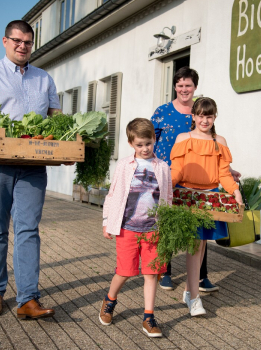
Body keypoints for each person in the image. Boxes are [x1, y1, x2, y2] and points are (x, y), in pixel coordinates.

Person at [0, 20, 66, 319]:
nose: (23, 46)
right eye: (17, 40)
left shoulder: (44, 78)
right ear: (5, 41)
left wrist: (66, 145)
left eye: (28, 42)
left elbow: (56, 119)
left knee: (28, 229)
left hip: (33, 167)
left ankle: (27, 299)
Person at [151, 67, 240, 292]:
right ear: (175, 86)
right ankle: (166, 272)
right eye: (180, 85)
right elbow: (150, 142)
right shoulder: (163, 112)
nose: (184, 89)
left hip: (202, 185)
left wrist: (230, 176)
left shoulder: (202, 109)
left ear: (195, 88)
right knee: (171, 227)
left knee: (201, 234)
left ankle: (200, 279)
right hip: (173, 176)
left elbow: (214, 157)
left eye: (188, 85)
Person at [170, 97, 243, 316]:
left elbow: (223, 174)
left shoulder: (219, 140)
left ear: (214, 117)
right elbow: (177, 170)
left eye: (209, 116)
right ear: (193, 116)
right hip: (186, 196)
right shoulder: (184, 137)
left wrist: (235, 192)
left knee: (201, 246)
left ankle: (187, 291)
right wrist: (165, 186)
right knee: (194, 245)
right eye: (200, 115)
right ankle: (194, 298)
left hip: (210, 197)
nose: (204, 120)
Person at [100, 118, 172, 337]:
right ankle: (110, 300)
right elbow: (113, 195)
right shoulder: (124, 165)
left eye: (148, 143)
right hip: (127, 228)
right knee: (124, 271)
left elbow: (167, 197)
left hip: (153, 229)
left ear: (154, 140)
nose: (144, 149)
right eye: (139, 145)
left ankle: (148, 316)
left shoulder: (162, 167)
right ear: (131, 143)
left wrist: (167, 225)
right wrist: (106, 222)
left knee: (151, 273)